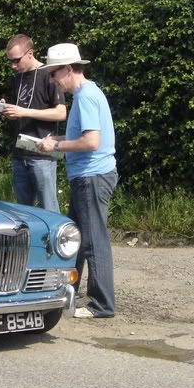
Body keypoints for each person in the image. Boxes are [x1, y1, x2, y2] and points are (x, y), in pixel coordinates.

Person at [38, 43, 118, 319]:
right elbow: (82, 137)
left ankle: (102, 305)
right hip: (88, 176)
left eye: (54, 73)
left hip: (91, 176)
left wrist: (57, 146)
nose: (52, 80)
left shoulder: (85, 97)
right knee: (76, 238)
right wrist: (57, 139)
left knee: (93, 241)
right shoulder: (88, 94)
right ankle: (67, 290)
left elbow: (91, 142)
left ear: (69, 69)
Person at [1, 34, 67, 212]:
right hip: (19, 153)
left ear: (30, 53)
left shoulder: (49, 74)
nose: (13, 66)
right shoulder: (18, 78)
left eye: (16, 60)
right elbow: (20, 112)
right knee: (23, 212)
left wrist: (24, 112)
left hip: (42, 154)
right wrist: (8, 111)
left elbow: (61, 112)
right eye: (10, 61)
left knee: (49, 209)